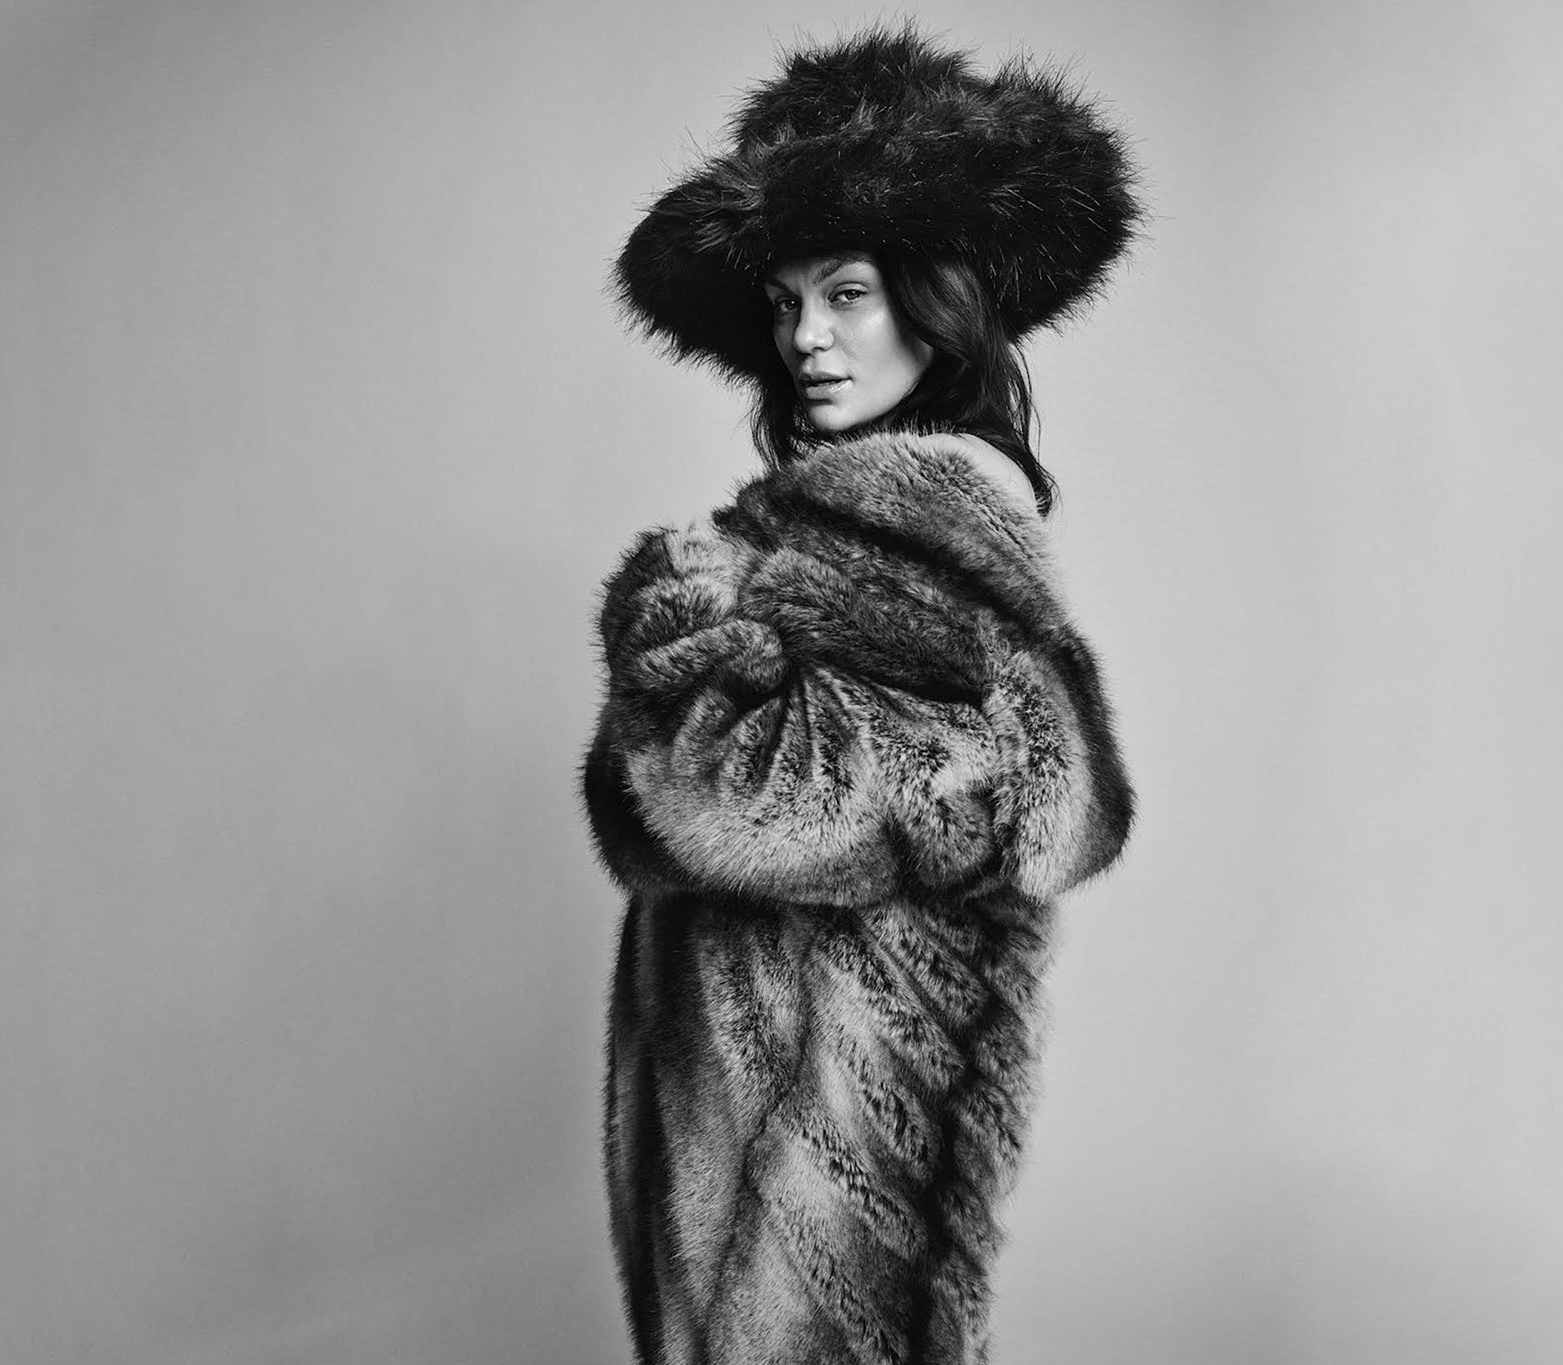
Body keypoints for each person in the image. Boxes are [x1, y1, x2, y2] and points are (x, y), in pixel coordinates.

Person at [584, 26, 1139, 1365]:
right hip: (769, 1140)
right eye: (786, 303)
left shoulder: (919, 526)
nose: (807, 338)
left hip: (817, 1167)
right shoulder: (817, 535)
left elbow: (738, 799)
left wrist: (674, 620)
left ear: (935, 305)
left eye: (847, 294)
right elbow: (652, 810)